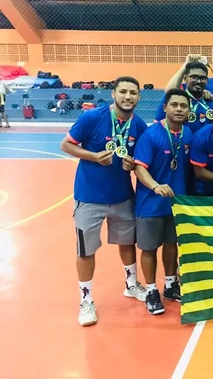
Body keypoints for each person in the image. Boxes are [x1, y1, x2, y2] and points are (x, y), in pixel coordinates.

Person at [60, 76, 148, 327]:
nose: (128, 96)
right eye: (123, 91)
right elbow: (66, 144)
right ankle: (85, 300)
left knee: (127, 243)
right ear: (113, 94)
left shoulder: (139, 125)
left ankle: (131, 285)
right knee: (86, 250)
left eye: (133, 92)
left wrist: (132, 164)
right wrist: (93, 156)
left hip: (122, 196)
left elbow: (138, 159)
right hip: (89, 197)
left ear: (139, 97)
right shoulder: (92, 118)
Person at [133, 89, 192, 315]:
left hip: (177, 204)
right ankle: (150, 290)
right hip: (150, 204)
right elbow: (139, 169)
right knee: (149, 249)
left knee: (171, 246)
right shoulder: (151, 135)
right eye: (174, 105)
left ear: (188, 110)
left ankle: (170, 285)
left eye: (183, 106)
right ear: (165, 107)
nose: (179, 109)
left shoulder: (189, 135)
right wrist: (156, 186)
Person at [155, 61, 213, 133]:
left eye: (203, 78)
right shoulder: (173, 100)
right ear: (185, 78)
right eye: (194, 77)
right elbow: (157, 126)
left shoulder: (212, 100)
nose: (199, 81)